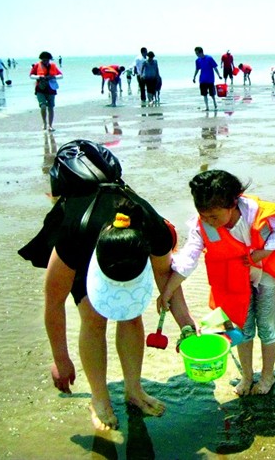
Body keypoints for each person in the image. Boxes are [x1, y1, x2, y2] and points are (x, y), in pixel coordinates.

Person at [23, 175, 194, 430]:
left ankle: (134, 390)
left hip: (127, 245)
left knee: (130, 313)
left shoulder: (154, 232)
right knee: (93, 317)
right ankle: (99, 398)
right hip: (87, 242)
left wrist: (187, 327)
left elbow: (167, 281)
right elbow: (53, 301)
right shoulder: (73, 236)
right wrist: (61, 359)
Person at [159, 170, 275, 396]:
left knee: (268, 325)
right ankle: (247, 376)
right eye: (204, 216)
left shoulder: (260, 215)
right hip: (235, 275)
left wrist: (262, 252)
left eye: (214, 216)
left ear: (233, 203)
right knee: (243, 326)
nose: (209, 221)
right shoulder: (202, 225)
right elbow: (188, 260)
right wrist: (168, 291)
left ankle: (268, 376)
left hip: (266, 272)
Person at [30, 51, 63, 131]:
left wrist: (53, 76)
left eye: (47, 60)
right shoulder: (37, 66)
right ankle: (44, 123)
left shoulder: (53, 66)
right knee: (43, 106)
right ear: (41, 59)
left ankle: (50, 125)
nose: (46, 61)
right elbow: (31, 75)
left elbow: (61, 75)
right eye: (44, 60)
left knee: (51, 107)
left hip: (51, 89)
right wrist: (39, 77)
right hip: (40, 89)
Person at [193, 47, 223, 111]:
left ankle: (215, 103)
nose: (196, 54)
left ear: (201, 52)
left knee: (212, 94)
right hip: (202, 80)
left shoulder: (209, 58)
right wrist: (194, 77)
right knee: (204, 94)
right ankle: (207, 107)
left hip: (210, 79)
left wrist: (219, 75)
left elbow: (215, 67)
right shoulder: (197, 60)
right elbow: (197, 69)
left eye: (197, 53)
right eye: (195, 53)